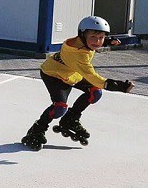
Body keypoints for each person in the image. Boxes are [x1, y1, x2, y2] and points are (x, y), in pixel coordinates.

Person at [21, 16, 135, 150]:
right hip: (54, 74)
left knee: (95, 93)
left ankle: (71, 119)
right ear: (82, 35)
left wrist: (107, 41)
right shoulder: (78, 55)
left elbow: (91, 42)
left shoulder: (82, 41)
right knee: (60, 108)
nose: (97, 42)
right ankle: (36, 130)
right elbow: (93, 77)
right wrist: (119, 86)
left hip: (72, 72)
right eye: (93, 37)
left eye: (101, 37)